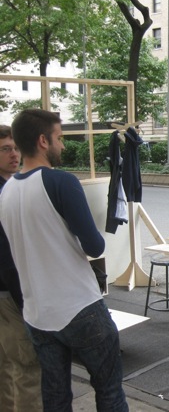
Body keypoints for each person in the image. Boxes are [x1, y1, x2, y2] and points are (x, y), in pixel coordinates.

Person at [0, 110, 128, 411]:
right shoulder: (61, 182)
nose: (63, 146)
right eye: (59, 138)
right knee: (109, 391)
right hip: (79, 306)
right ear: (43, 141)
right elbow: (95, 247)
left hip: (37, 314)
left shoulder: (6, 192)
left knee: (56, 398)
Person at [0, 124, 43, 410]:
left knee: (8, 367)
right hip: (9, 292)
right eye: (5, 149)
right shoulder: (5, 192)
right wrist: (23, 296)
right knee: (26, 369)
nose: (14, 154)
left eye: (15, 147)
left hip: (8, 291)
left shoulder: (11, 185)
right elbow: (6, 253)